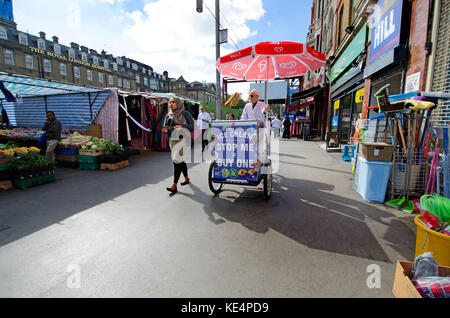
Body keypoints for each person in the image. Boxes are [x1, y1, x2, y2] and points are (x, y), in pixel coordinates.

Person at [162, 97, 195, 194]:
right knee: (181, 161)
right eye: (170, 102)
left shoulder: (185, 113)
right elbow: (166, 126)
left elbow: (192, 126)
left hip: (183, 140)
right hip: (172, 140)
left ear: (179, 103)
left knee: (176, 161)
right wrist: (165, 130)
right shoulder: (168, 115)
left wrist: (182, 126)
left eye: (173, 102)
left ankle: (174, 185)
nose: (171, 104)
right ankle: (186, 178)